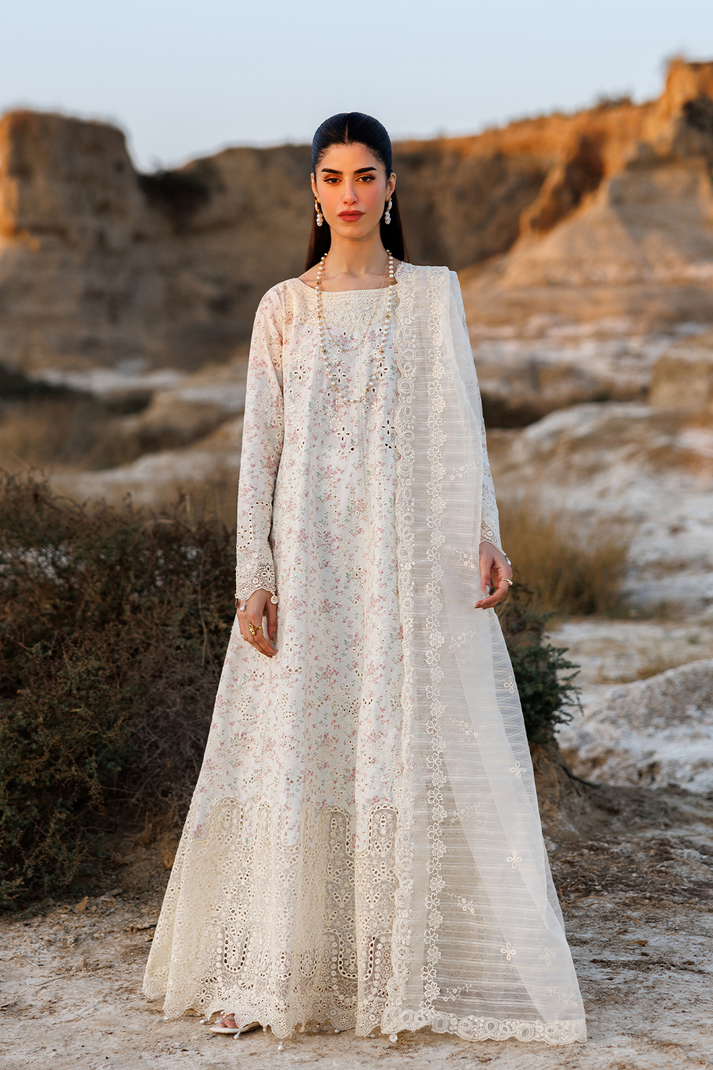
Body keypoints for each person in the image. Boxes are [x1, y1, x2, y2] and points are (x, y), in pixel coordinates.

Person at [144, 112, 586, 1048]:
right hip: (309, 558)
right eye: (332, 176)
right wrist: (253, 574)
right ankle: (268, 968)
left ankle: (389, 972)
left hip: (399, 556)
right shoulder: (282, 307)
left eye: (366, 175)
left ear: (392, 188)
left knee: (390, 747)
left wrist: (485, 535)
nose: (349, 193)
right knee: (293, 748)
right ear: (313, 191)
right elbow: (259, 452)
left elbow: (462, 425)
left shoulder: (429, 294)